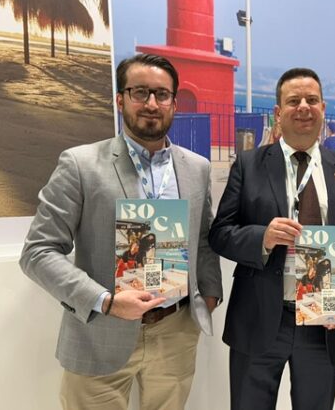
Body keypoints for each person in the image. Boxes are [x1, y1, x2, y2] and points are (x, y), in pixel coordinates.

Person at [19, 53, 223, 410]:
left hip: (175, 333)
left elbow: (204, 239)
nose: (151, 104)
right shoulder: (80, 164)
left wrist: (209, 294)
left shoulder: (197, 168)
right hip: (101, 331)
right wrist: (105, 301)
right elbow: (38, 252)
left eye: (162, 94)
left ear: (174, 103)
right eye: (139, 92)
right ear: (120, 99)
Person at [209, 67, 335, 410]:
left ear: (323, 109)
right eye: (293, 100)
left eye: (312, 100)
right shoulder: (249, 164)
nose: (303, 107)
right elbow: (220, 234)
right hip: (259, 318)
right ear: (278, 112)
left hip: (324, 324)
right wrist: (263, 238)